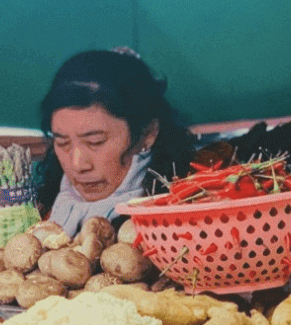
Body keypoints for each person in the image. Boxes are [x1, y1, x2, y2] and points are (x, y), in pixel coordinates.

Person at [36, 47, 196, 237]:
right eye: (63, 143)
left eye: (95, 142)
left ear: (148, 134)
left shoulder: (183, 218)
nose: (78, 165)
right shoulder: (47, 213)